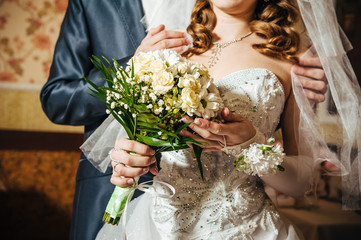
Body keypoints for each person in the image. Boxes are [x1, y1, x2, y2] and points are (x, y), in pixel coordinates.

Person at [40, 0, 331, 239]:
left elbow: (303, 181)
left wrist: (251, 146)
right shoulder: (172, 52)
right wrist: (125, 159)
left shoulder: (294, 62)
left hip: (247, 226)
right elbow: (131, 141)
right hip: (156, 222)